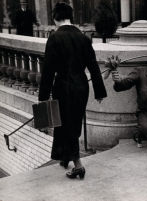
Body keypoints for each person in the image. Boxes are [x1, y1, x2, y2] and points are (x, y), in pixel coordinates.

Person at [38, 2, 107, 179]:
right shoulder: (84, 38)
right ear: (71, 17)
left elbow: (48, 71)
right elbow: (93, 66)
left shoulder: (54, 38)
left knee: (66, 125)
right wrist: (99, 91)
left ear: (55, 17)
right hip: (81, 87)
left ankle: (78, 165)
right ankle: (65, 158)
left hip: (62, 87)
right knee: (73, 122)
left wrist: (43, 97)